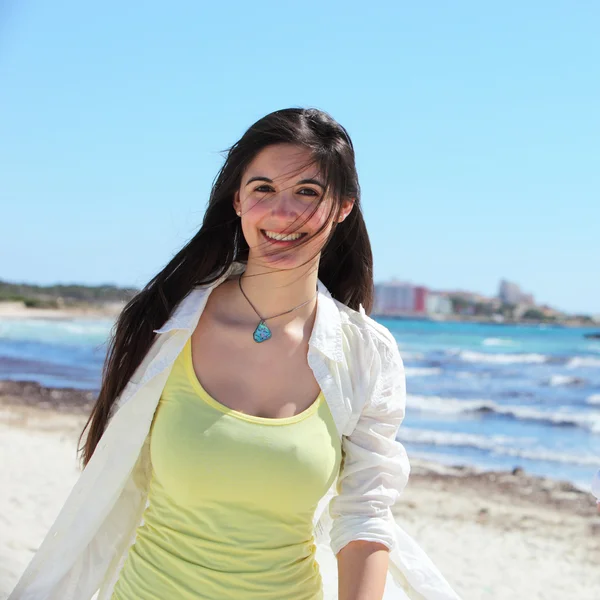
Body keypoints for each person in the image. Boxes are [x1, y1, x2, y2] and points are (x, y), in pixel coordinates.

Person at [9, 108, 460, 600]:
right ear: (238, 201)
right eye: (263, 188)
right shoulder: (165, 325)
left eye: (307, 192)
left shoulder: (364, 354)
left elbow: (366, 513)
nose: (282, 212)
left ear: (343, 207)